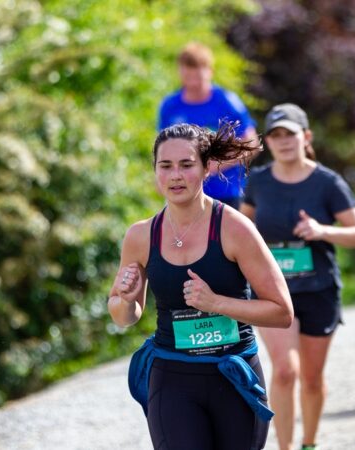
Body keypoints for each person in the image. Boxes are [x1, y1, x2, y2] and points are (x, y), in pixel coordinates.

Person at [108, 123, 293, 449]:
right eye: (165, 166)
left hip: (234, 375)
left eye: (186, 164)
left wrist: (216, 303)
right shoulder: (140, 236)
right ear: (155, 171)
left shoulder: (235, 228)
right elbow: (125, 317)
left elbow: (281, 312)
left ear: (207, 167)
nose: (175, 175)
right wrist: (123, 299)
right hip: (172, 377)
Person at [240, 103, 355, 450]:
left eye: (290, 134)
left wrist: (322, 230)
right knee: (285, 371)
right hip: (272, 290)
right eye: (275, 135)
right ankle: (283, 447)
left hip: (318, 288)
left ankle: (309, 442)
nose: (283, 142)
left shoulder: (327, 183)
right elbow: (240, 230)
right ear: (267, 141)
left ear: (306, 137)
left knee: (311, 379)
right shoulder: (258, 182)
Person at [158, 42, 258, 209]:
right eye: (188, 76)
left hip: (225, 194)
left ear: (210, 72)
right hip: (184, 194)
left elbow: (252, 144)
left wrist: (215, 164)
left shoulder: (226, 102)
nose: (193, 84)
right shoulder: (170, 106)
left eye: (198, 77)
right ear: (180, 72)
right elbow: (162, 148)